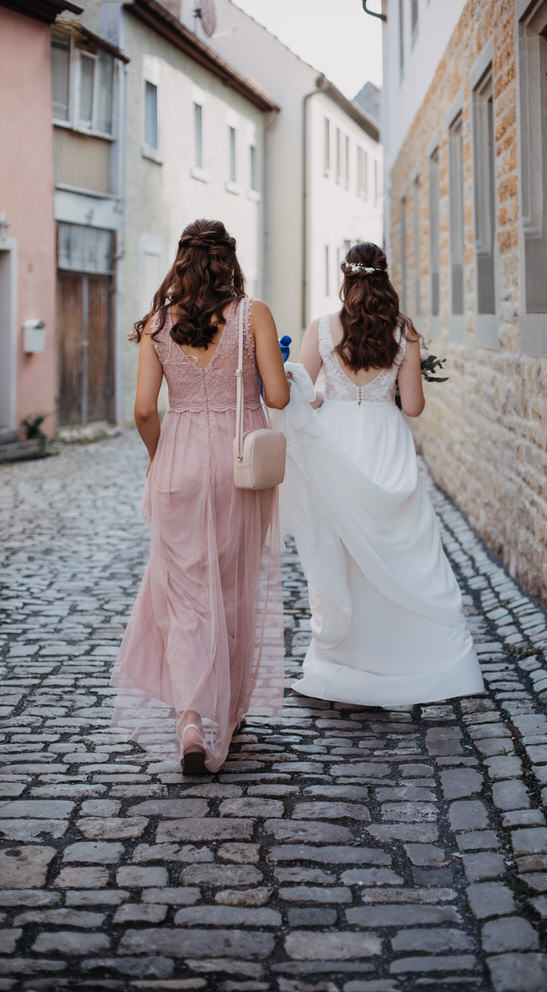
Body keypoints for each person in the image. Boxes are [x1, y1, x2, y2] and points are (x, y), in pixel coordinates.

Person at [109, 219, 289, 774]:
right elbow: (278, 394)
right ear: (229, 261)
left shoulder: (157, 324)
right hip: (238, 463)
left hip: (179, 461)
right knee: (234, 587)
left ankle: (189, 719)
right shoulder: (252, 314)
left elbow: (143, 409)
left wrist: (155, 456)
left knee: (185, 594)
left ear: (182, 261)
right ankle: (229, 713)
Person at [272, 242, 484, 706]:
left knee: (342, 549)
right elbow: (412, 406)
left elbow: (300, 392)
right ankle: (410, 654)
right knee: (400, 546)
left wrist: (328, 396)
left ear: (345, 279)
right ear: (385, 278)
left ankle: (346, 659)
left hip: (338, 444)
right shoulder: (403, 332)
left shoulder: (322, 329)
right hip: (386, 443)